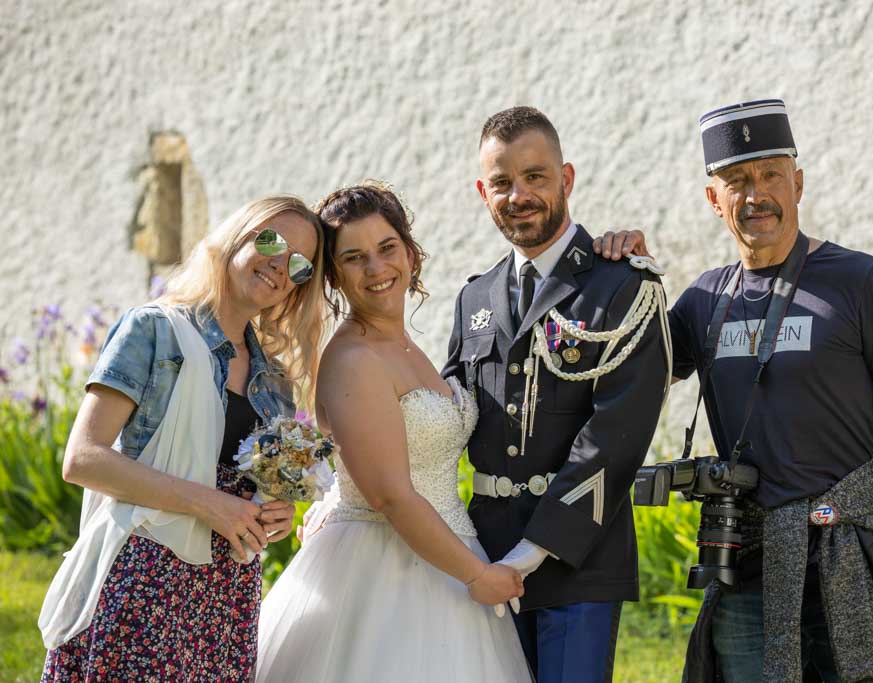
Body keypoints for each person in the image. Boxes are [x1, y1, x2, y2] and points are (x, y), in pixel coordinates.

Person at [595, 99, 873, 682]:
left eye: (770, 175)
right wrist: (617, 276)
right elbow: (620, 372)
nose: (756, 194)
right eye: (736, 180)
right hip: (750, 565)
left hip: (854, 556)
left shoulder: (862, 282)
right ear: (714, 200)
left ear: (798, 184)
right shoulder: (703, 301)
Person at [39, 195, 325, 681]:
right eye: (270, 242)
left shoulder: (275, 380)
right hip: (147, 579)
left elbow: (254, 492)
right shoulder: (155, 329)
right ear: (236, 237)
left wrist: (275, 514)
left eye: (299, 264)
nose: (280, 266)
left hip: (226, 595)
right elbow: (83, 458)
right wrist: (209, 503)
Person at [256, 183, 533, 683]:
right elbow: (390, 496)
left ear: (410, 253)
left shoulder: (405, 345)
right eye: (354, 258)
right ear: (333, 275)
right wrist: (477, 575)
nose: (376, 268)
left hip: (446, 550)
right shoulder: (353, 359)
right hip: (382, 568)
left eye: (387, 248)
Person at [441, 106, 672, 683]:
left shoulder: (623, 286)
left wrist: (534, 550)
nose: (518, 195)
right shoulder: (475, 298)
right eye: (502, 182)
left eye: (534, 176)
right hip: (486, 555)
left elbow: (616, 435)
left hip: (579, 559)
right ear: (483, 192)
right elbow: (444, 418)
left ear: (565, 178)